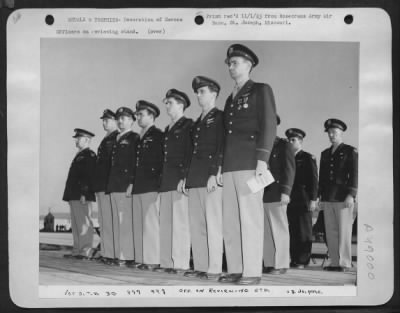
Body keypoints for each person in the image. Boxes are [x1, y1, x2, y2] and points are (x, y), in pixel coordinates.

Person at [219, 44, 277, 285]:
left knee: (250, 219)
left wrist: (262, 160)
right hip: (231, 164)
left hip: (250, 163)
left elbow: (269, 125)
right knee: (231, 220)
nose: (231, 67)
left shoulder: (260, 90)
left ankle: (252, 271)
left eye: (235, 62)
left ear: (248, 65)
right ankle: (235, 268)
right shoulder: (230, 98)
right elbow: (225, 135)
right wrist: (220, 166)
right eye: (230, 63)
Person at [183, 76, 224, 281]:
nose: (199, 95)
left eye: (202, 92)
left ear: (214, 94)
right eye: (197, 92)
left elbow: (221, 147)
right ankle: (201, 265)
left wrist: (214, 173)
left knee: (213, 224)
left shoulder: (220, 117)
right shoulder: (198, 122)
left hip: (209, 177)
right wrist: (185, 177)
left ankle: (214, 267)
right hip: (195, 177)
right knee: (197, 224)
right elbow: (192, 152)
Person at [153, 89, 193, 274]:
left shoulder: (188, 126)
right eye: (166, 102)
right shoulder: (168, 129)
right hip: (167, 181)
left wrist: (184, 177)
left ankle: (181, 263)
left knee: (180, 224)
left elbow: (189, 153)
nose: (167, 106)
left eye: (169, 102)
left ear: (180, 104)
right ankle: (167, 263)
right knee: (166, 224)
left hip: (178, 180)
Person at [318, 118, 358, 272]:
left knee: (344, 232)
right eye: (329, 132)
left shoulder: (350, 151)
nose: (331, 135)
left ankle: (345, 263)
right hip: (328, 197)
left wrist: (351, 194)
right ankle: (335, 262)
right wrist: (320, 196)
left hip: (343, 197)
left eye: (334, 132)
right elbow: (322, 177)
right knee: (331, 232)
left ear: (341, 133)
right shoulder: (325, 153)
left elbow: (354, 174)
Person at [131, 100, 164, 271]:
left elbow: (160, 161)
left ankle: (152, 259)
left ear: (152, 116)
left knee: (150, 224)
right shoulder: (139, 137)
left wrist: (158, 184)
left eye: (141, 114)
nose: (138, 117)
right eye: (137, 115)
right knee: (139, 223)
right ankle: (142, 258)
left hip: (151, 185)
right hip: (138, 185)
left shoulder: (157, 135)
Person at [106, 107, 139, 267]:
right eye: (119, 118)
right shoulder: (117, 138)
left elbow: (135, 162)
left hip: (125, 185)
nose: (120, 121)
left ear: (132, 120)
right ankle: (118, 255)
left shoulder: (134, 138)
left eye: (124, 118)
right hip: (114, 185)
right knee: (116, 223)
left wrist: (132, 183)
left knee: (125, 222)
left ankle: (127, 256)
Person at [263, 115, 296, 275]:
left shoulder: (284, 145)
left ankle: (281, 264)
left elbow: (289, 169)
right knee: (266, 231)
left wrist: (286, 192)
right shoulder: (259, 145)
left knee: (279, 229)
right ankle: (270, 262)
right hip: (262, 193)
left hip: (277, 192)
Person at [285, 128, 318, 268]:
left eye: (293, 140)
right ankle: (294, 258)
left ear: (300, 142)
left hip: (304, 199)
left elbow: (314, 180)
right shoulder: (287, 157)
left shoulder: (307, 158)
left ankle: (303, 260)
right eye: (289, 140)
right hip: (290, 199)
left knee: (304, 231)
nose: (290, 142)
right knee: (292, 230)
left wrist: (313, 199)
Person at [62, 128, 97, 259]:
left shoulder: (89, 155)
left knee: (84, 223)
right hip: (74, 194)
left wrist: (85, 193)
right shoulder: (80, 155)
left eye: (78, 138)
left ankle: (85, 251)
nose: (76, 140)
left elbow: (89, 176)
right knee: (77, 224)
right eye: (76, 138)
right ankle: (77, 250)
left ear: (87, 140)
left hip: (82, 194)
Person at [92, 109, 119, 265]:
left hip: (109, 186)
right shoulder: (106, 139)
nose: (104, 123)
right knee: (104, 221)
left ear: (115, 122)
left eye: (107, 120)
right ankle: (107, 253)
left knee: (111, 221)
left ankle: (113, 254)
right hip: (102, 186)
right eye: (103, 120)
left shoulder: (116, 138)